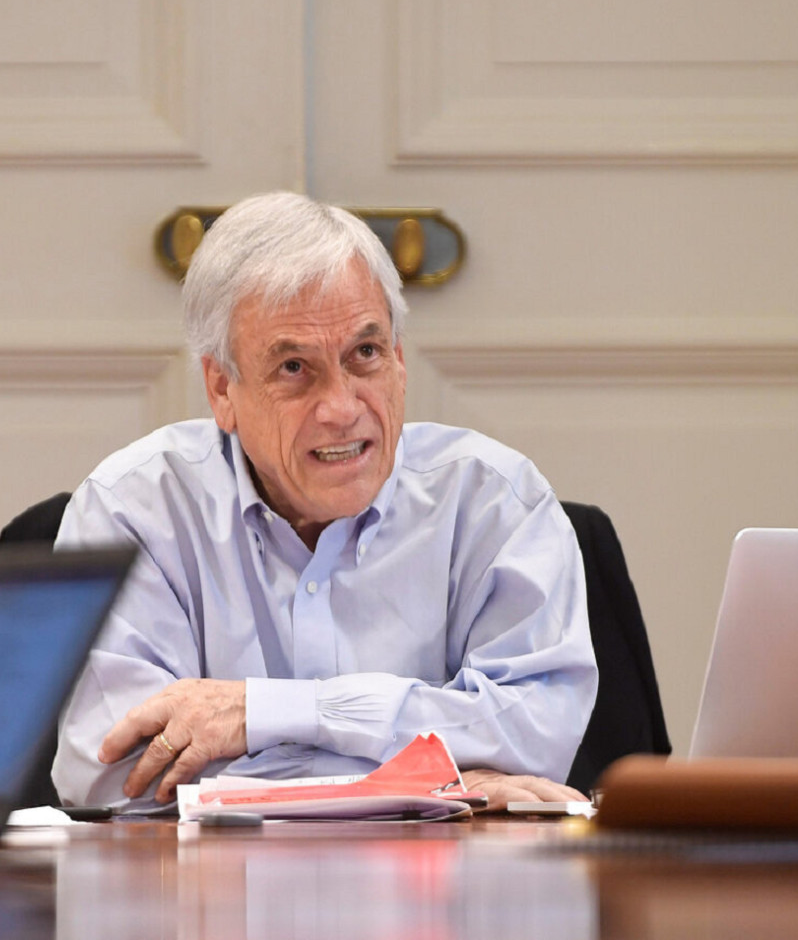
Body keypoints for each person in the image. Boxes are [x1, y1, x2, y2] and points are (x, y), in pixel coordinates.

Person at [53, 192, 597, 810]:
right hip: (212, 898)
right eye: (293, 368)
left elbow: (538, 735)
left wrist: (260, 714)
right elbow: (113, 774)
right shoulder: (130, 511)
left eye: (364, 355)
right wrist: (424, 778)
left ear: (397, 359)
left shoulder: (496, 503)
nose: (341, 409)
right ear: (221, 389)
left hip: (439, 899)